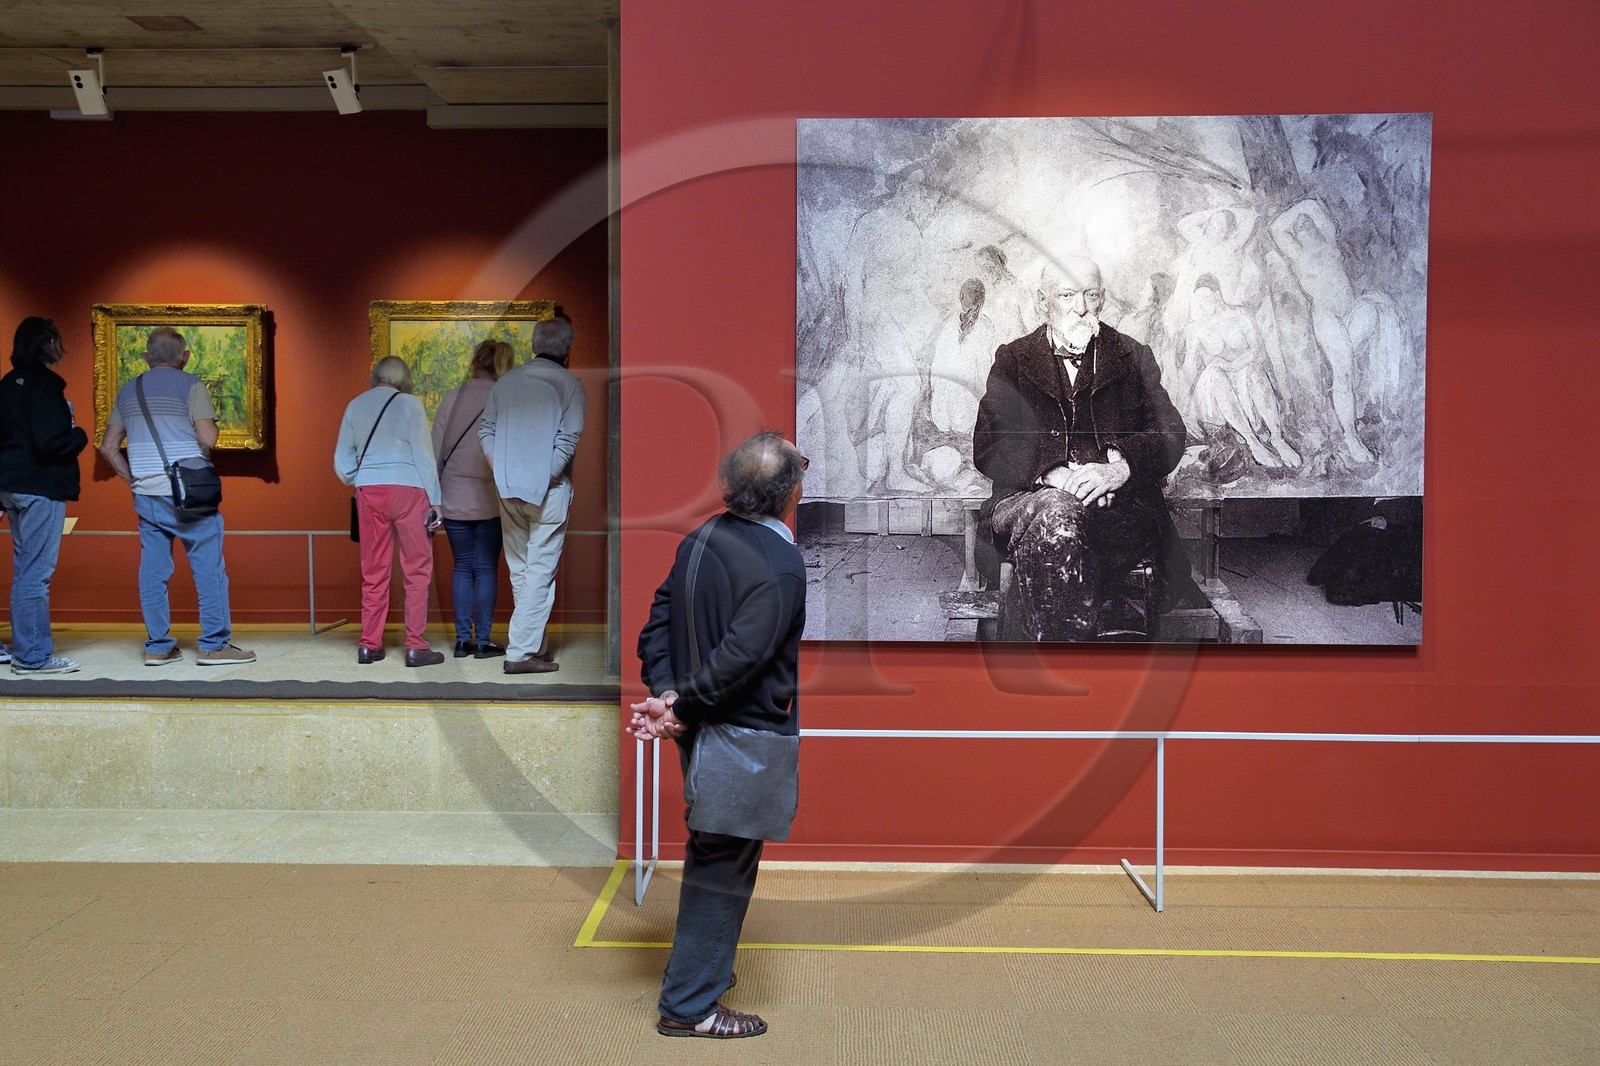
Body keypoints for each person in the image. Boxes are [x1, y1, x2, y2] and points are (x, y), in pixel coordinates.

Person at [631, 431, 808, 1040]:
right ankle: (690, 1007)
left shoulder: (702, 537)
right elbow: (742, 659)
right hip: (742, 735)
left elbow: (657, 624)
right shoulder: (780, 564)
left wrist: (668, 697)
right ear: (790, 492)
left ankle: (705, 972)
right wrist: (680, 705)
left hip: (705, 727)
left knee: (723, 855)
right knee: (721, 866)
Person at [972, 254, 1190, 641]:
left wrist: (1119, 469)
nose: (1081, 308)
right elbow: (989, 443)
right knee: (1057, 509)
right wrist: (1053, 474)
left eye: (1091, 294)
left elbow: (1171, 433)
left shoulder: (1133, 356)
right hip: (1022, 504)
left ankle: (1044, 663)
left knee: (1056, 527)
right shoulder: (1013, 359)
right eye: (1067, 295)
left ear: (1103, 299)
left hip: (1116, 517)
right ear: (1043, 302)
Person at [100, 327, 254, 666]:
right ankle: (214, 645)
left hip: (147, 495)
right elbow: (208, 438)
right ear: (184, 357)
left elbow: (108, 447)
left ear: (146, 358)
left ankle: (158, 646)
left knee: (153, 572)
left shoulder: (129, 389)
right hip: (189, 494)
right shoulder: (191, 384)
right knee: (209, 569)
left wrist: (132, 478)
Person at [478, 317, 585, 674]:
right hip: (549, 491)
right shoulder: (570, 384)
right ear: (568, 349)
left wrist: (501, 470)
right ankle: (521, 653)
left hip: (508, 488)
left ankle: (533, 645)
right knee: (539, 571)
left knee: (521, 569)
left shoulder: (507, 381)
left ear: (534, 345)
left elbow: (486, 430)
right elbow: (568, 439)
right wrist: (543, 476)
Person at [334, 356, 444, 667]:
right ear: (404, 379)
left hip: (370, 490)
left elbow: (342, 461)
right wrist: (436, 500)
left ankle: (369, 645)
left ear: (376, 376)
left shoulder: (355, 405)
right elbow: (423, 454)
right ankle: (416, 646)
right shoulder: (411, 404)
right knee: (417, 570)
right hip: (409, 489)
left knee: (374, 571)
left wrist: (359, 476)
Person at [0, 317, 89, 674]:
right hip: (41, 488)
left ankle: (27, 649)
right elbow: (50, 442)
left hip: (11, 486)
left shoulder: (8, 383)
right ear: (48, 343)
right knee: (35, 574)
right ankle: (33, 656)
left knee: (26, 570)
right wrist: (80, 435)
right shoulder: (45, 384)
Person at [432, 338, 514, 659]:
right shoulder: (505, 398)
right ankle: (483, 641)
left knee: (463, 567)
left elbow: (436, 451)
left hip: (454, 496)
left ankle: (462, 640)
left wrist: (435, 496)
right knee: (487, 568)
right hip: (491, 497)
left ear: (475, 361)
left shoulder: (452, 398)